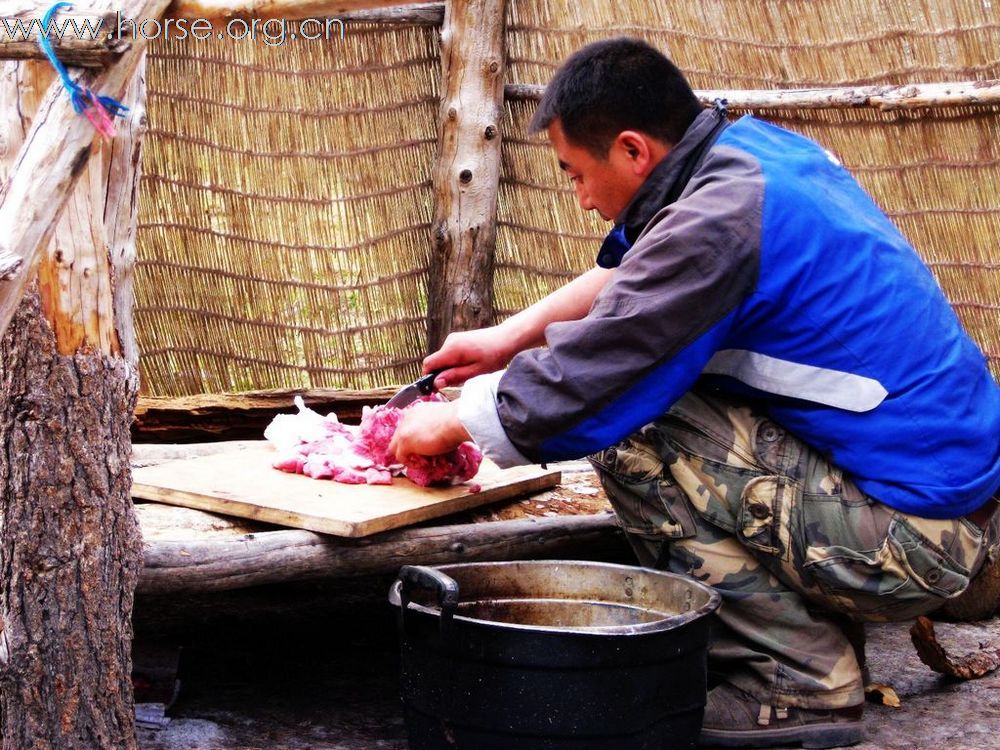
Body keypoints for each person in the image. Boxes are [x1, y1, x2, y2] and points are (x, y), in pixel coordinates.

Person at [387, 37, 1000, 749]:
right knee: (648, 397)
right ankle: (802, 635)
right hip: (957, 504)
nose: (580, 197)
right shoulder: (756, 157)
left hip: (918, 542)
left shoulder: (717, 222)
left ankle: (795, 680)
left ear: (632, 151)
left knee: (631, 428)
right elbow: (637, 277)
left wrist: (455, 424)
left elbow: (603, 367)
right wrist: (506, 338)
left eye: (575, 174)